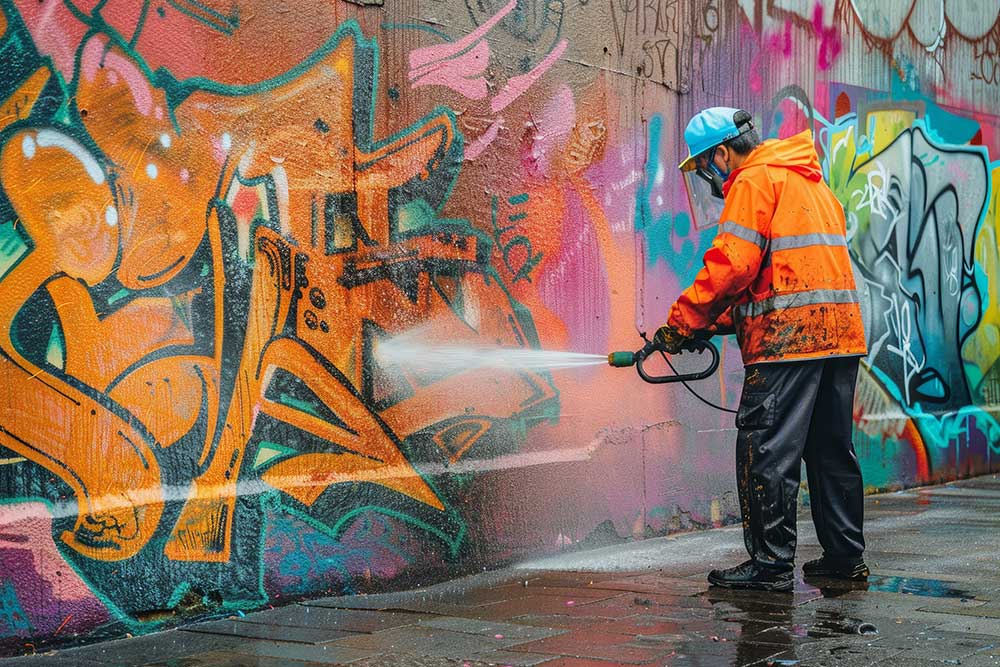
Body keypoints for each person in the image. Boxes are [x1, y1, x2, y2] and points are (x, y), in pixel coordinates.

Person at [655, 107, 869, 591]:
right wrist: (717, 324)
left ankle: (770, 566)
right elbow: (781, 278)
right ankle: (844, 557)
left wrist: (683, 321)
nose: (711, 178)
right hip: (837, 338)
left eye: (707, 166)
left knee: (766, 451)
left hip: (787, 345)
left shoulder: (753, 181)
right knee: (832, 451)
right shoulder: (812, 184)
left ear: (724, 152)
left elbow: (733, 266)